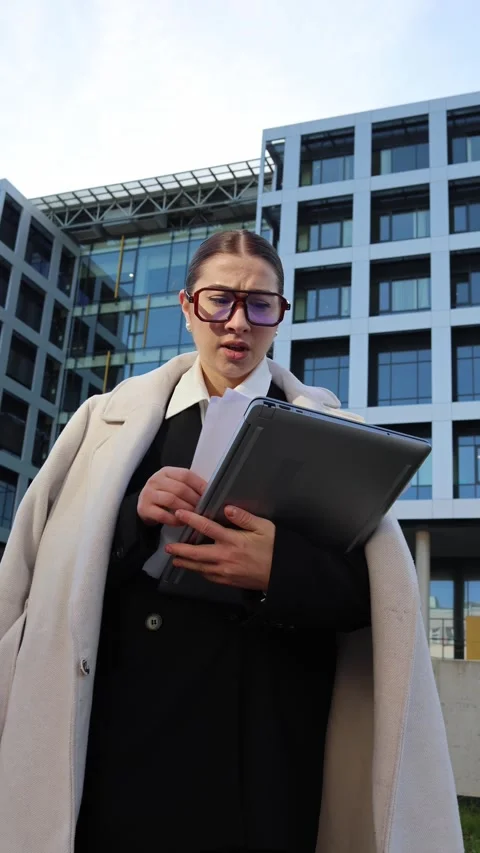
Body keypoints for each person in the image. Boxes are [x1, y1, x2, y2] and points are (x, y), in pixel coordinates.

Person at [0, 231, 463, 853]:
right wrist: (132, 517)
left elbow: (376, 601)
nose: (238, 323)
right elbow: (49, 576)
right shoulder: (103, 424)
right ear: (188, 306)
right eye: (220, 301)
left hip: (264, 754)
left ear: (282, 315)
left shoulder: (335, 434)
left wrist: (281, 570)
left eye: (260, 305)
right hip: (123, 742)